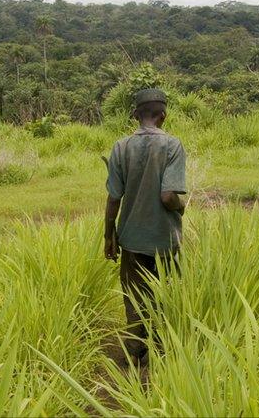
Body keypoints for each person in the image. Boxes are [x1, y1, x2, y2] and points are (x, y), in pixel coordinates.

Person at [103, 88, 186, 365]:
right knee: (164, 290)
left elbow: (114, 197)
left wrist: (108, 234)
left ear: (136, 115)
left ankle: (134, 349)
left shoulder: (121, 147)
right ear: (163, 116)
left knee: (134, 294)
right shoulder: (172, 146)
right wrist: (181, 206)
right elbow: (168, 196)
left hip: (131, 237)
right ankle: (159, 350)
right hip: (165, 239)